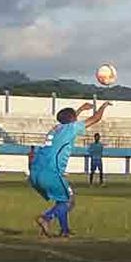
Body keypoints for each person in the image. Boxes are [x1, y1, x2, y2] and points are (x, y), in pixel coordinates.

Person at [30, 101, 111, 238]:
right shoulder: (70, 129)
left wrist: (80, 110)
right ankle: (46, 218)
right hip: (51, 173)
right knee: (69, 201)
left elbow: (69, 120)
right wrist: (103, 106)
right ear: (72, 119)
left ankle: (65, 230)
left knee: (62, 201)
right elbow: (95, 119)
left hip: (36, 173)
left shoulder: (56, 129)